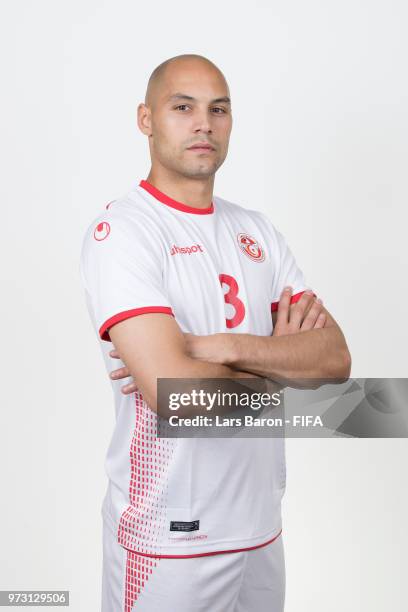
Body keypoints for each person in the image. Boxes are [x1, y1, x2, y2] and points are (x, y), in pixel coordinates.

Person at [79, 53, 351, 612]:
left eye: (218, 109)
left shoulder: (258, 231)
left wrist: (218, 347)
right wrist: (281, 364)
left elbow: (335, 362)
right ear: (146, 119)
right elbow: (177, 398)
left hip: (260, 528)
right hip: (169, 537)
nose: (204, 123)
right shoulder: (123, 231)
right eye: (183, 107)